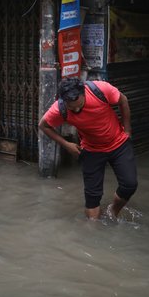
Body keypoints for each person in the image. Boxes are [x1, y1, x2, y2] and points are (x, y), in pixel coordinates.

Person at [38, 77, 138, 220]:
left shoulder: (101, 89)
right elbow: (43, 125)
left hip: (118, 143)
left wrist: (127, 130)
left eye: (79, 105)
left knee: (130, 185)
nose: (76, 110)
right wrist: (67, 144)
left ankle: (113, 210)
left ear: (83, 93)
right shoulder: (59, 109)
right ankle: (93, 231)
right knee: (92, 197)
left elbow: (123, 100)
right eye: (71, 108)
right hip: (91, 150)